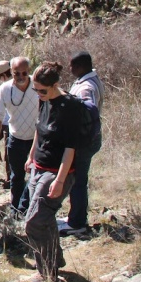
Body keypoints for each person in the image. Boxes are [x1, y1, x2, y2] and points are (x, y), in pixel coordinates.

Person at [24, 62, 88, 282]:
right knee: (45, 218)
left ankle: (47, 272)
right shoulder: (45, 100)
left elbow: (70, 148)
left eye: (42, 90)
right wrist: (31, 156)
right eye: (35, 90)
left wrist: (60, 180)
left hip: (57, 173)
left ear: (56, 85)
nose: (38, 94)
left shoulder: (70, 107)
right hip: (38, 169)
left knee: (33, 222)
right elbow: (39, 130)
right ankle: (53, 261)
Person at [59, 50, 105, 236]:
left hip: (84, 141)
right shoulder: (88, 81)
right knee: (78, 180)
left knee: (78, 181)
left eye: (71, 65)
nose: (69, 68)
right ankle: (75, 217)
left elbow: (87, 112)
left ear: (80, 66)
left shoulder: (86, 87)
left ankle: (77, 222)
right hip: (88, 139)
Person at [0, 57, 38, 214]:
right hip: (16, 139)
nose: (21, 77)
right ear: (11, 72)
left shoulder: (38, 85)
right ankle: (15, 209)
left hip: (35, 141)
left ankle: (29, 209)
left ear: (29, 72)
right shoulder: (4, 89)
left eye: (24, 73)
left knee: (34, 176)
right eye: (17, 73)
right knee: (16, 176)